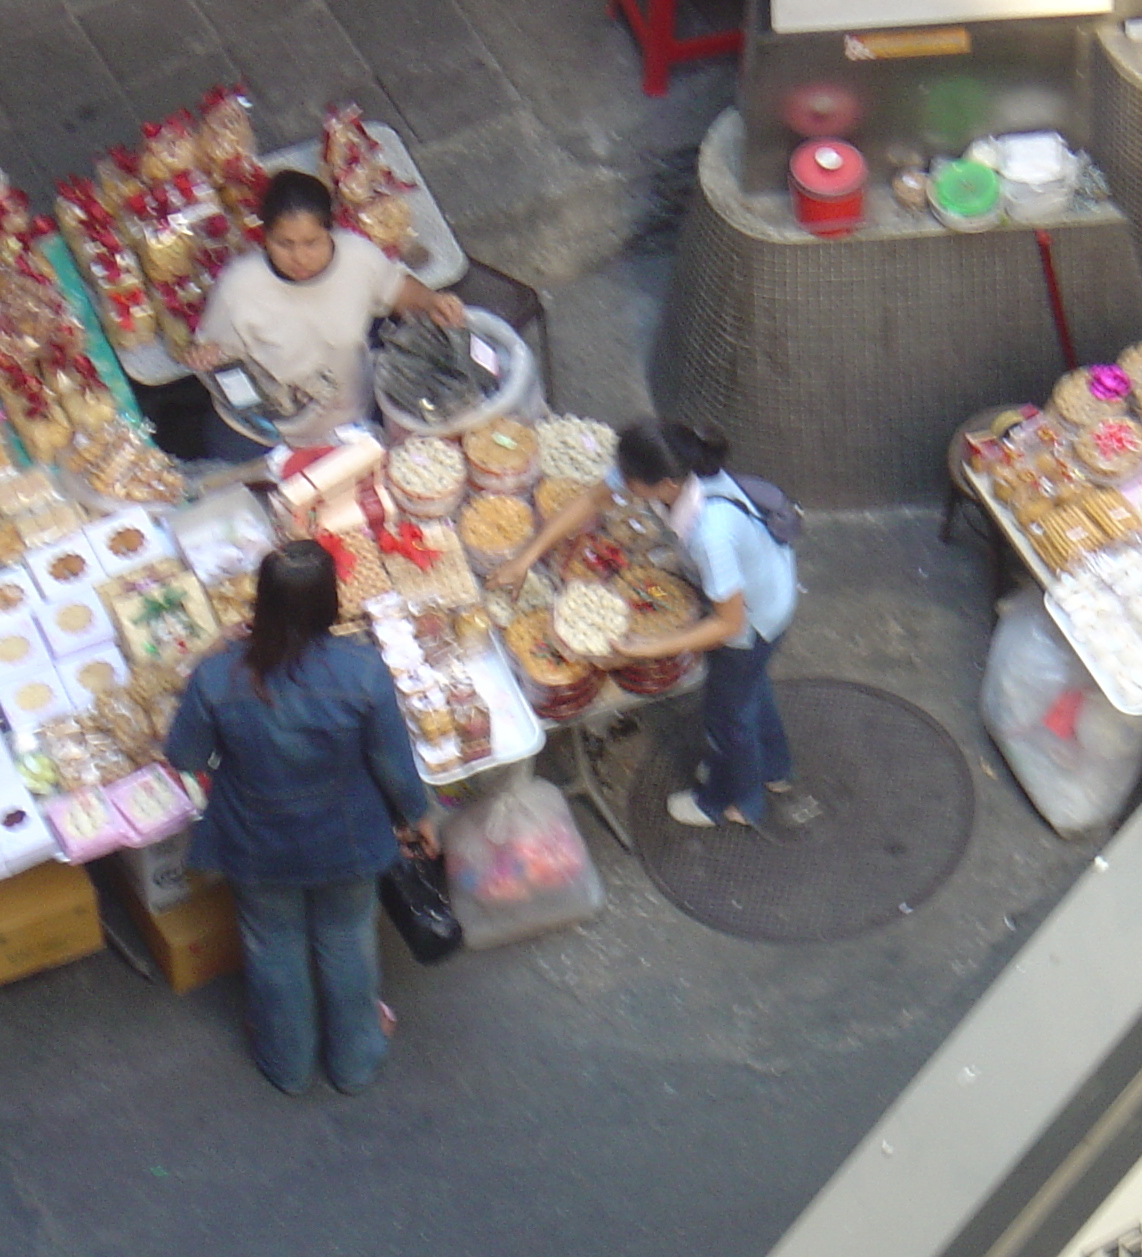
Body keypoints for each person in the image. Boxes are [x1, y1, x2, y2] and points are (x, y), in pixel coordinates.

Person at [164, 540, 436, 1096]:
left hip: (255, 841)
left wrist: (211, 652)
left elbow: (185, 757)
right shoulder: (361, 671)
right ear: (329, 605)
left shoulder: (219, 676)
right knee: (346, 940)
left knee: (272, 944)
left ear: (260, 604)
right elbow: (392, 764)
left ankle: (286, 1063)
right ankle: (355, 1060)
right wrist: (418, 815)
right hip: (347, 839)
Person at [495, 418, 801, 832]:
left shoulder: (712, 533)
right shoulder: (672, 471)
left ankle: (733, 802)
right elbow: (592, 501)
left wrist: (644, 648)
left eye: (634, 484)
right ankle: (775, 768)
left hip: (756, 619)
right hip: (762, 585)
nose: (625, 489)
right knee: (749, 693)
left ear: (668, 484)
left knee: (728, 717)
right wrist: (524, 560)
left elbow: (729, 624)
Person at [185, 168, 468, 461]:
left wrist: (432, 302)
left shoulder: (357, 257)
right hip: (271, 434)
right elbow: (217, 357)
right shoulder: (239, 288)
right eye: (285, 244)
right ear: (265, 238)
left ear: (330, 232)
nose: (300, 257)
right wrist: (206, 356)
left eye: (312, 242)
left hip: (353, 413)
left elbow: (398, 291)